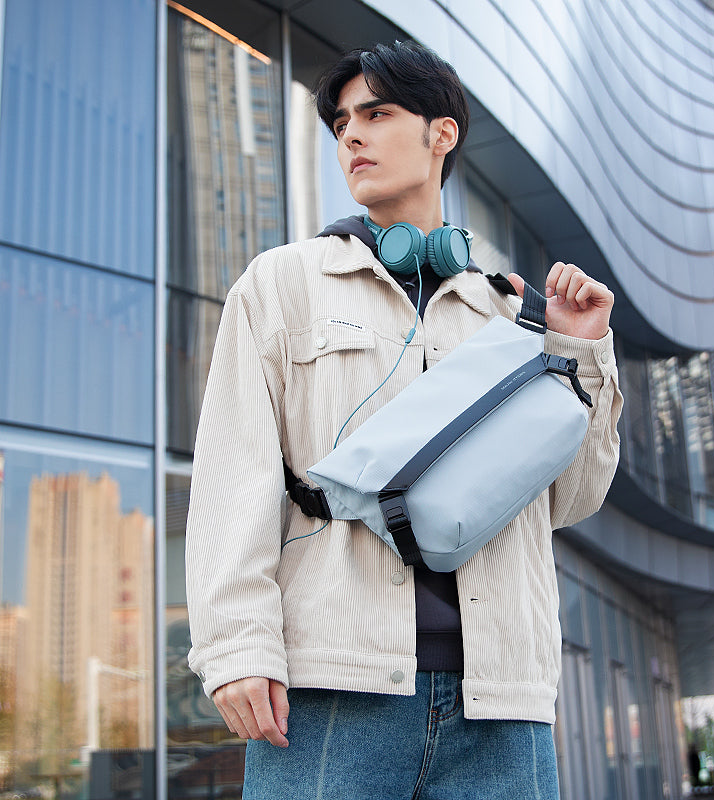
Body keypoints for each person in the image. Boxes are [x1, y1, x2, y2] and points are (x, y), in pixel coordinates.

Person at [186, 40, 623, 799]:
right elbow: (234, 473)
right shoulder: (283, 285)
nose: (350, 134)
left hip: (501, 701)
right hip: (333, 692)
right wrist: (236, 648)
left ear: (441, 133)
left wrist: (582, 354)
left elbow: (569, 499)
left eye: (377, 113)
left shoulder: (512, 311)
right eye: (342, 121)